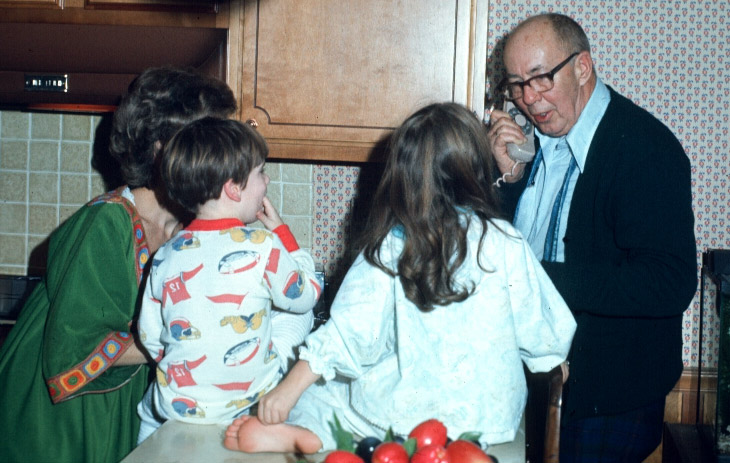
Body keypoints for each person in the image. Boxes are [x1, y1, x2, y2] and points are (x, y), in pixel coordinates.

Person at [221, 102, 576, 453]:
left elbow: (352, 331)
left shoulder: (391, 246)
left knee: (328, 399)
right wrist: (551, 359)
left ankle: (310, 432)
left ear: (402, 177)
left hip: (405, 421)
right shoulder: (505, 241)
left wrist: (289, 389)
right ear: (475, 169)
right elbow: (546, 336)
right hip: (485, 424)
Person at [486, 13, 697, 462]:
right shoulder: (535, 144)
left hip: (607, 395)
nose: (529, 99)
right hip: (534, 384)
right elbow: (503, 246)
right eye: (517, 85)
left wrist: (544, 280)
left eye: (541, 78)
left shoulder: (642, 147)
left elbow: (670, 281)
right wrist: (505, 179)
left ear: (582, 67)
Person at [0, 67, 237, 463]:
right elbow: (75, 350)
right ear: (163, 150)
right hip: (56, 418)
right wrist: (190, 340)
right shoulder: (105, 223)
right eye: (209, 146)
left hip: (119, 402)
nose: (224, 160)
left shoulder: (186, 229)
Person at [135, 117, 320, 442]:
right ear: (234, 188)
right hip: (248, 407)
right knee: (299, 308)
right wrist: (283, 234)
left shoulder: (164, 257)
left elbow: (149, 335)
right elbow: (307, 295)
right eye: (260, 171)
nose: (267, 179)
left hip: (177, 405)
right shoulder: (264, 245)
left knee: (148, 409)